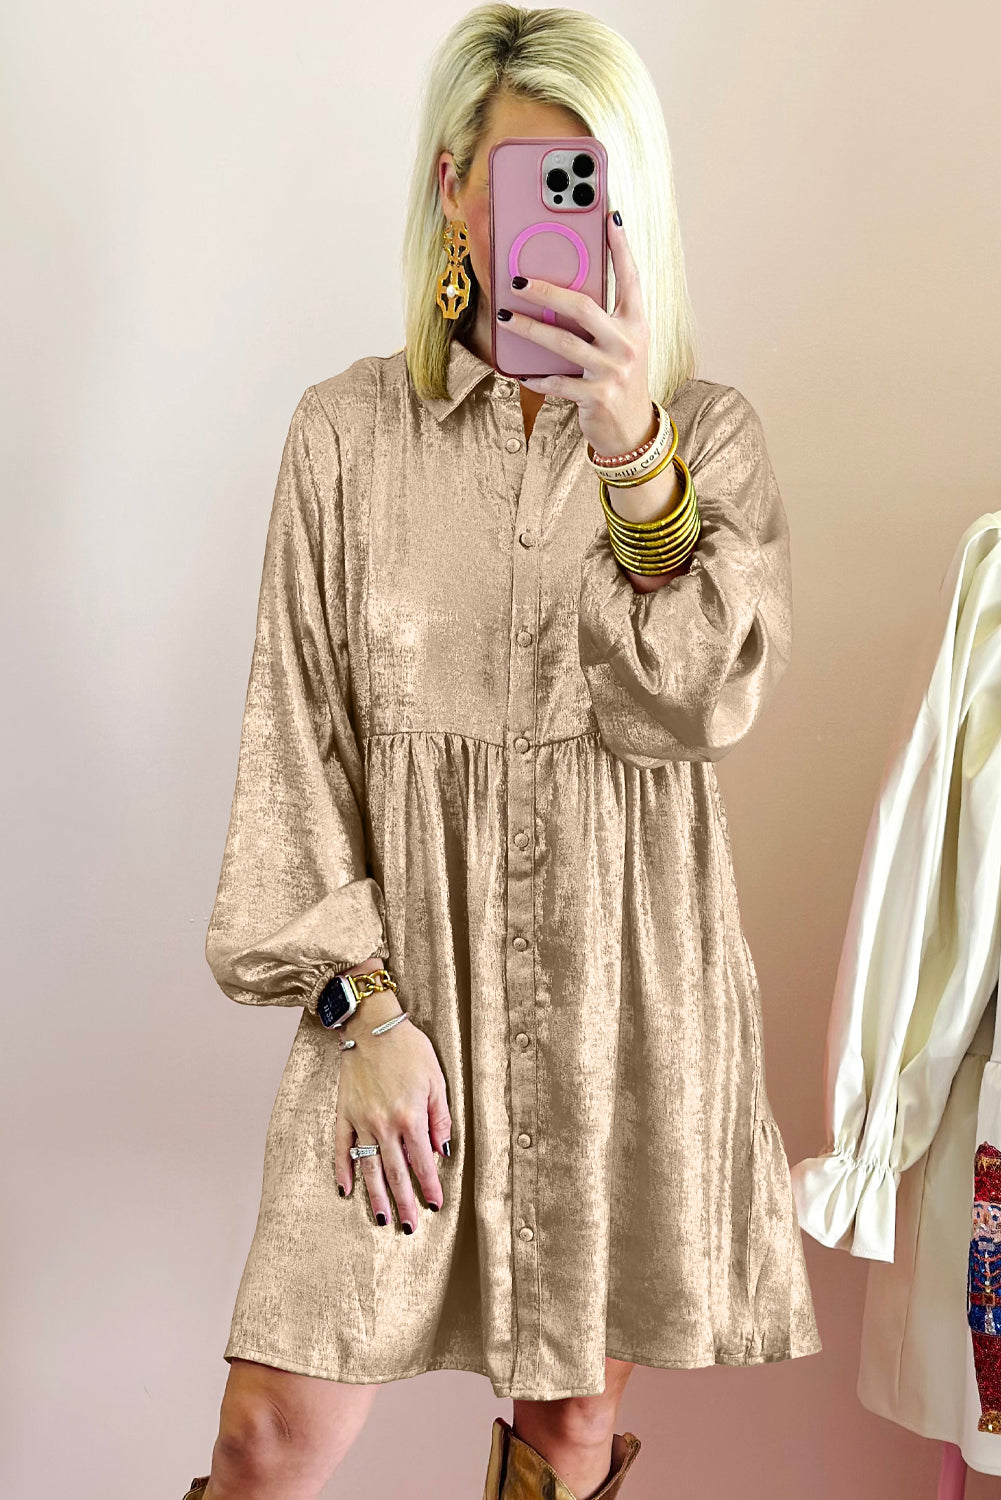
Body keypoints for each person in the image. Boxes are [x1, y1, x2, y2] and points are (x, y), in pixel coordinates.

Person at [185, 6, 822, 1498]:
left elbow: (699, 704)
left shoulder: (705, 437)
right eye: (534, 177)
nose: (564, 215)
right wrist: (358, 1016)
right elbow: (297, 748)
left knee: (568, 1428)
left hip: (620, 1004)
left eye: (596, 181)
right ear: (453, 190)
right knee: (270, 1434)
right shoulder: (347, 437)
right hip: (398, 1002)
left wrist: (634, 454)